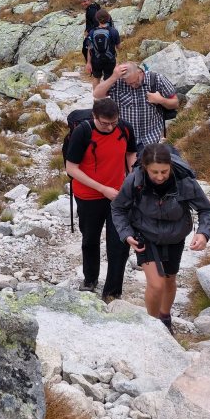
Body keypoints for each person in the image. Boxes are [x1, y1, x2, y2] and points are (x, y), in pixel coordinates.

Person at [112, 143, 210, 331]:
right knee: (157, 284)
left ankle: (165, 318)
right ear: (145, 167)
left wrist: (203, 233)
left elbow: (206, 210)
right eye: (155, 172)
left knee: (169, 280)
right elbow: (118, 208)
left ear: (171, 167)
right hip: (145, 235)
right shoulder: (135, 181)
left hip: (175, 236)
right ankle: (152, 327)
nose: (160, 177)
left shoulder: (184, 181)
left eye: (164, 172)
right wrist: (126, 234)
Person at [65, 98, 136, 300]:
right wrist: (102, 188)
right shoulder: (83, 132)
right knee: (90, 239)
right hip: (88, 196)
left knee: (120, 243)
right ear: (94, 116)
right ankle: (90, 279)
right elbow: (71, 168)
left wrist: (132, 176)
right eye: (104, 123)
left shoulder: (124, 128)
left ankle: (112, 292)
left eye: (113, 122)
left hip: (118, 195)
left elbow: (131, 153)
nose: (110, 127)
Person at [93, 61, 178, 149]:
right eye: (130, 84)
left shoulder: (156, 79)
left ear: (140, 71)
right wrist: (113, 77)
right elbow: (97, 94)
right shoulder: (117, 82)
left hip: (151, 138)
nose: (134, 85)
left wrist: (161, 100)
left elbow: (175, 103)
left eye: (136, 81)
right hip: (125, 138)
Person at [86, 9, 120, 80]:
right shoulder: (114, 31)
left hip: (96, 60)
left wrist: (88, 63)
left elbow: (89, 49)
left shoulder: (92, 32)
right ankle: (106, 91)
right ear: (108, 18)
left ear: (96, 19)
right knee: (108, 80)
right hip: (110, 59)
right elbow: (118, 47)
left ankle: (96, 91)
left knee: (96, 79)